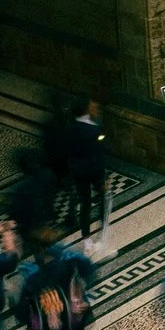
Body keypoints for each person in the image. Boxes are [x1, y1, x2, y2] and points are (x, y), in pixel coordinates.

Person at [62, 98, 107, 238]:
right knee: (102, 200)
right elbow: (98, 154)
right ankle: (103, 232)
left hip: (78, 171)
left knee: (85, 204)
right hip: (94, 171)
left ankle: (86, 238)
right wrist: (102, 177)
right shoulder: (94, 129)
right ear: (87, 109)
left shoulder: (70, 128)